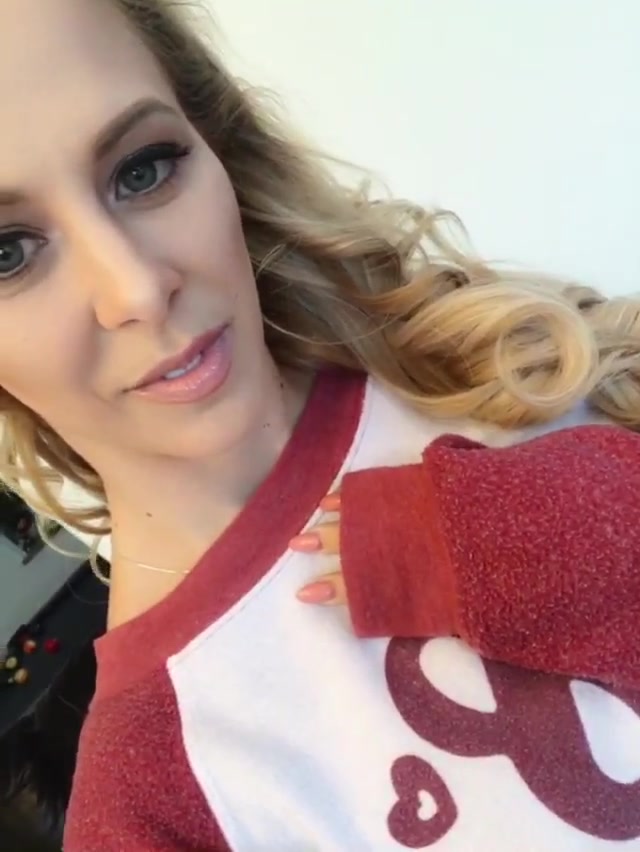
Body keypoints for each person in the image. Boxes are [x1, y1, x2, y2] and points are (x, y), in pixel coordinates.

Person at [0, 0, 637, 848]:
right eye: (7, 253)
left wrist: (476, 540)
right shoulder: (151, 805)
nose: (137, 289)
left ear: (216, 146)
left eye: (144, 170)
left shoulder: (495, 357)